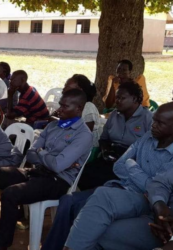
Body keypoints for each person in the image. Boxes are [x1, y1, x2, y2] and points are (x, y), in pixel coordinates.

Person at [0, 89, 93, 249]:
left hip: (57, 181)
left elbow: (57, 166)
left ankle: (2, 246)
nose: (59, 110)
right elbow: (31, 154)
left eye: (65, 106)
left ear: (79, 109)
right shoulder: (53, 126)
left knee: (11, 194)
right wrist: (46, 156)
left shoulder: (83, 135)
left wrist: (42, 152)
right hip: (35, 172)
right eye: (60, 105)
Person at [41, 102, 173, 250]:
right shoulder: (148, 136)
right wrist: (139, 174)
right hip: (125, 189)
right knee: (72, 201)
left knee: (96, 221)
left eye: (160, 123)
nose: (152, 125)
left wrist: (132, 166)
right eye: (154, 120)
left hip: (143, 199)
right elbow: (119, 165)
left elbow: (156, 186)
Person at [78, 81, 153, 190]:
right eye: (116, 98)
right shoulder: (114, 115)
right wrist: (105, 151)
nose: (117, 101)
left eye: (122, 98)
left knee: (108, 182)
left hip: (132, 161)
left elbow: (150, 148)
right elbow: (104, 139)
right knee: (84, 174)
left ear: (135, 99)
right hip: (111, 156)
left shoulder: (147, 118)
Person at [50, 74, 100, 146]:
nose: (63, 89)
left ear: (79, 90)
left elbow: (84, 135)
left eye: (67, 86)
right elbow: (52, 116)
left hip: (82, 149)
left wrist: (55, 121)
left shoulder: (88, 107)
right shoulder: (68, 105)